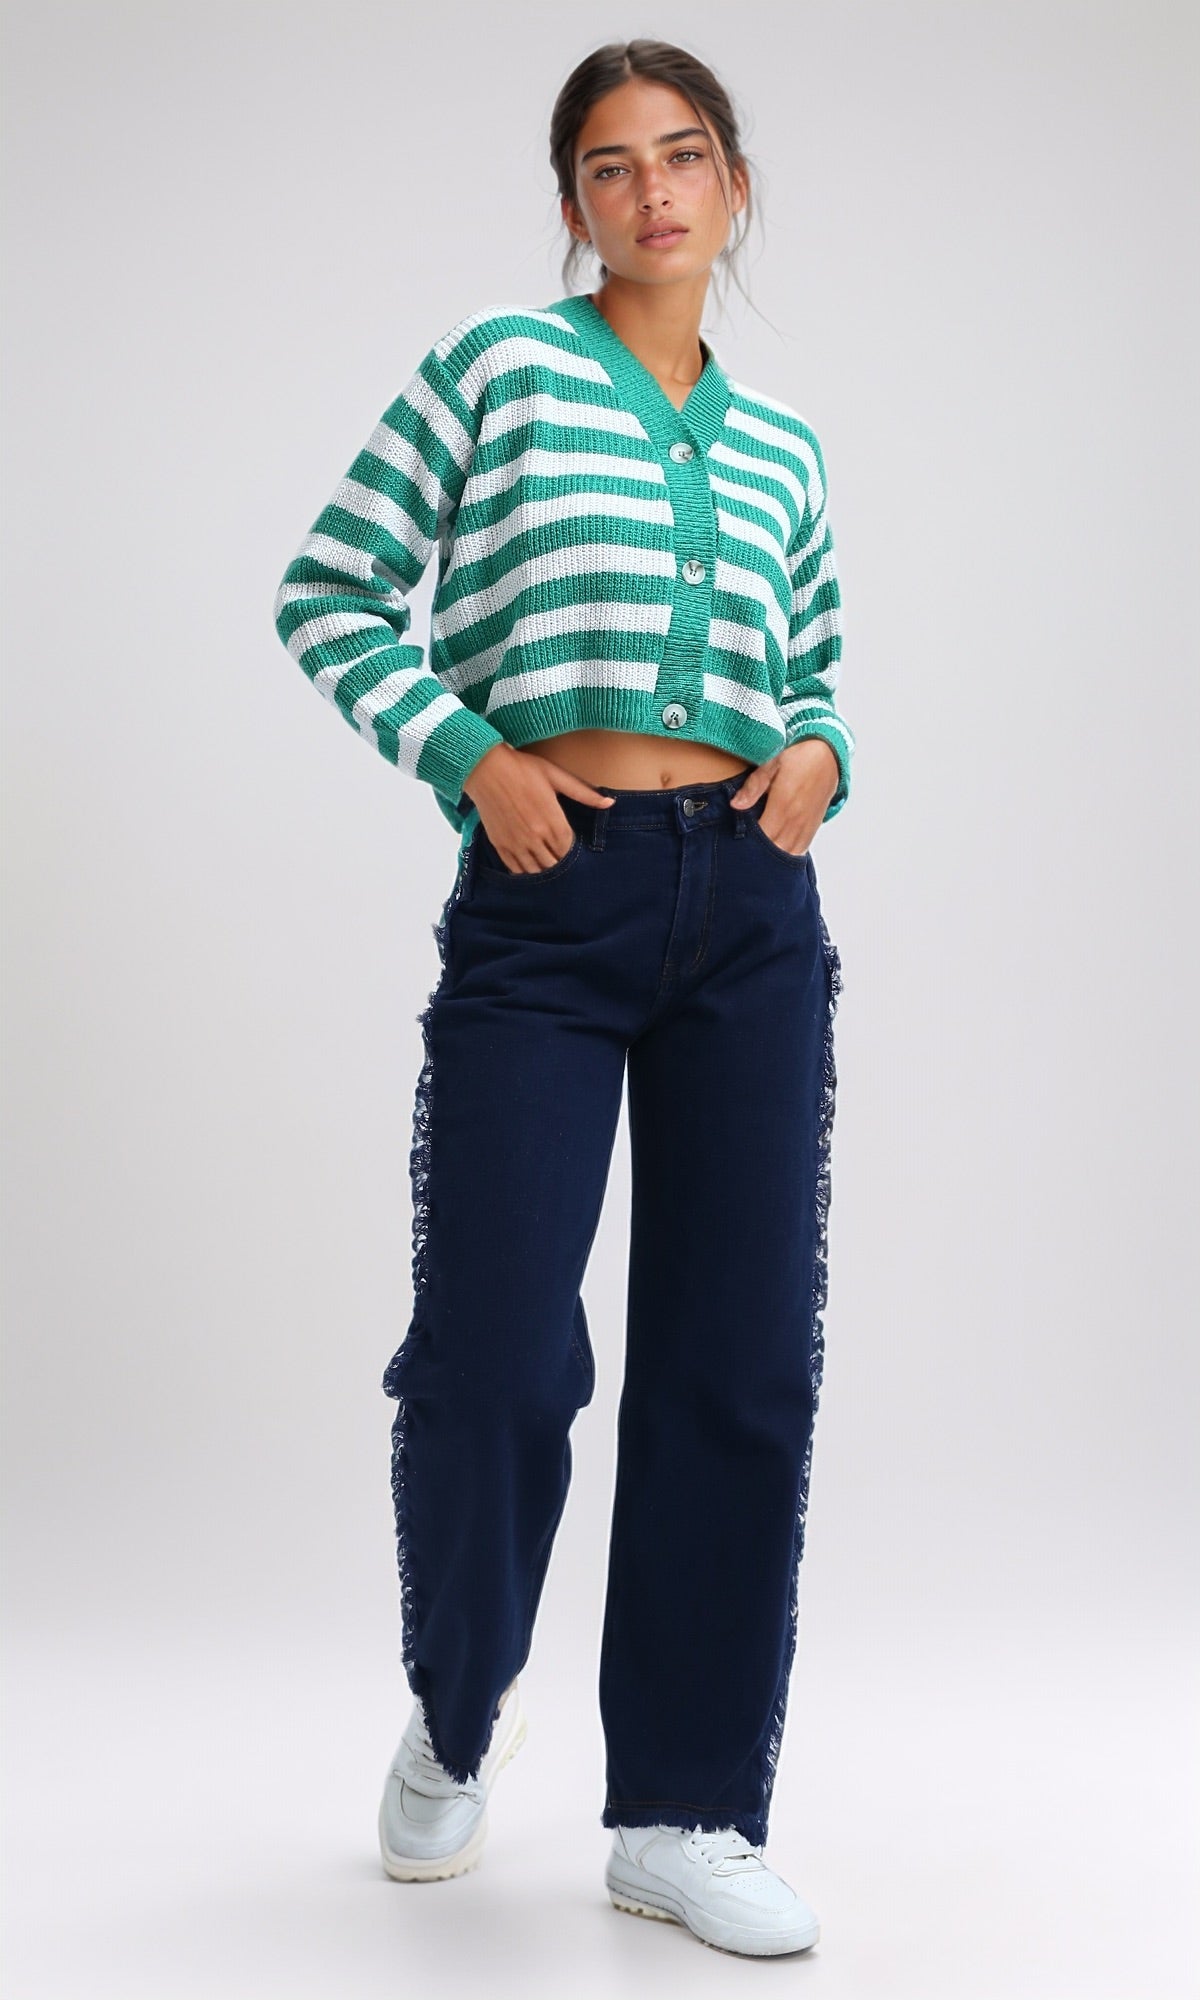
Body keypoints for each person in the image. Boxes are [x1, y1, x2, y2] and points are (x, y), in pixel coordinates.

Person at [272, 37, 851, 1961]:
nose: (653, 193)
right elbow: (329, 591)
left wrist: (822, 752)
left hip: (751, 910)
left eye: (683, 157)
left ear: (734, 183)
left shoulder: (783, 445)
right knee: (497, 1354)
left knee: (739, 1362)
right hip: (547, 897)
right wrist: (470, 755)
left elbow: (812, 658)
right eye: (612, 166)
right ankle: (458, 1707)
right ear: (577, 202)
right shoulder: (497, 370)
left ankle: (686, 1808)